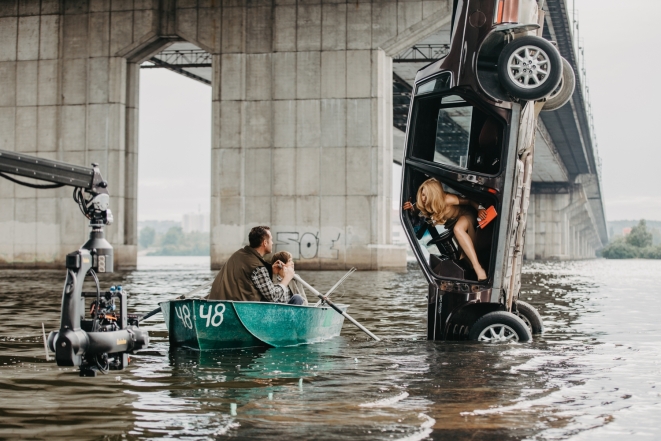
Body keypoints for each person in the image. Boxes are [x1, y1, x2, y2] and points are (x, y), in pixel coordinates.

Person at [403, 178, 488, 281]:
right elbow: (414, 211)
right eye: (422, 194)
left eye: (426, 194)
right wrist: (410, 209)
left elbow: (469, 201)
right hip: (453, 222)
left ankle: (479, 269)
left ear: (433, 194)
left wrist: (479, 208)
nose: (423, 198)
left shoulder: (447, 199)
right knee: (465, 256)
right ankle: (471, 271)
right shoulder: (423, 203)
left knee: (458, 229)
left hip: (465, 214)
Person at [208, 226, 304, 305]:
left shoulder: (238, 255)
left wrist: (270, 271)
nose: (273, 243)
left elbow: (250, 280)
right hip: (243, 310)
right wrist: (287, 278)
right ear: (265, 243)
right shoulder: (258, 267)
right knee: (297, 298)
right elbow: (273, 296)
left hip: (222, 304)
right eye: (271, 240)